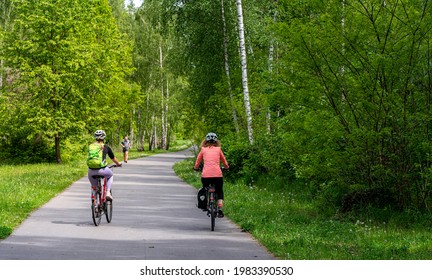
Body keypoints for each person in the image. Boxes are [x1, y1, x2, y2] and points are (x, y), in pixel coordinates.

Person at [194, 132, 229, 217]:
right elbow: (224, 161)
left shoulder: (203, 149)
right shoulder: (219, 149)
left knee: (205, 189)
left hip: (206, 176)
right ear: (216, 142)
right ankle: (220, 208)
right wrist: (227, 167)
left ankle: (206, 205)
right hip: (218, 175)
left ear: (205, 141)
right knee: (219, 191)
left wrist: (195, 168)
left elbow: (198, 161)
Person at [87, 130, 122, 200]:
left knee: (94, 187)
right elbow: (113, 158)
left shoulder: (90, 146)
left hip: (91, 171)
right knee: (110, 175)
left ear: (95, 138)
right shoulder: (105, 146)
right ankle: (108, 192)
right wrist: (118, 164)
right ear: (104, 138)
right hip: (102, 170)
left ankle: (94, 196)